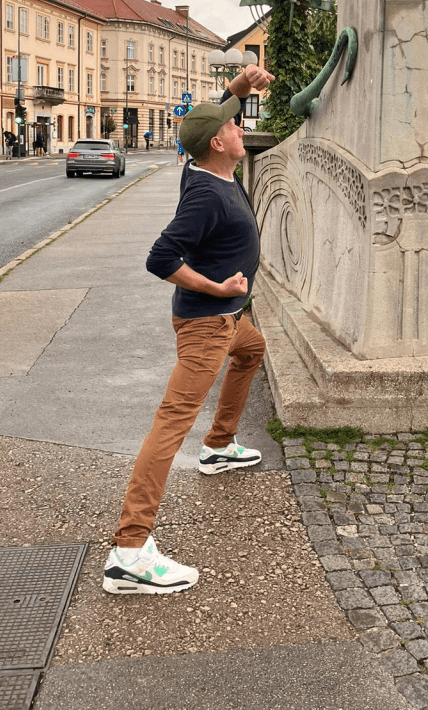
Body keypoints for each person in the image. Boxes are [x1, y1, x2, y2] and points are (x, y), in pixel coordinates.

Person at [103, 62, 274, 595]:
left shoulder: (208, 167)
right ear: (219, 143)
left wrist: (239, 88)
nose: (240, 127)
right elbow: (160, 258)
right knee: (171, 424)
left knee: (253, 351)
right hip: (207, 324)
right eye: (234, 125)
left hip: (230, 324)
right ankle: (130, 550)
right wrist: (217, 289)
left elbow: (221, 113)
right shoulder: (205, 195)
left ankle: (219, 445)